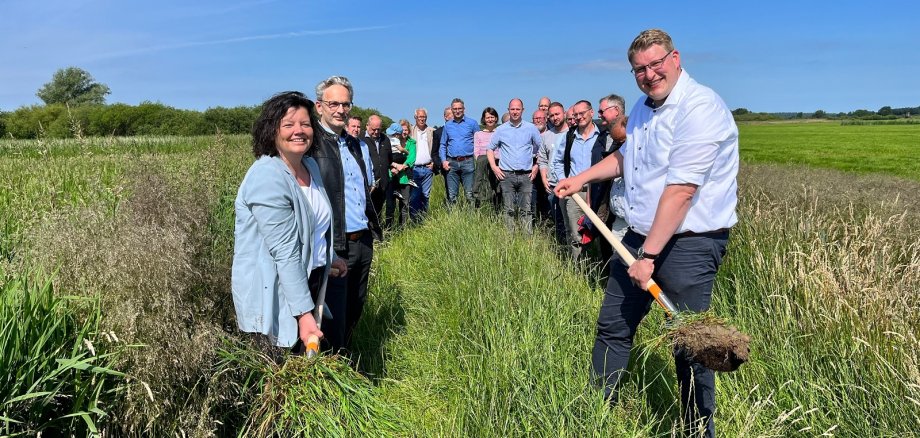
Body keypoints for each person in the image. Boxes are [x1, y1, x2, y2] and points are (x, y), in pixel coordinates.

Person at [555, 29, 739, 438]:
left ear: (675, 58)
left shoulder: (700, 107)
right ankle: (595, 414)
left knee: (692, 346)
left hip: (689, 244)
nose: (649, 74)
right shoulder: (640, 107)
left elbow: (682, 191)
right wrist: (580, 178)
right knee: (613, 326)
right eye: (640, 69)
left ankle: (697, 431)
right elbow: (625, 157)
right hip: (637, 239)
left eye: (656, 64)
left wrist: (649, 258)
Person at [232, 91, 348, 355]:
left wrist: (328, 258)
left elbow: (315, 227)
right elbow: (285, 252)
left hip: (310, 281)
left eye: (305, 124)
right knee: (281, 375)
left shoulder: (309, 167)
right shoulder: (267, 177)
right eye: (288, 124)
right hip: (275, 291)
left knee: (310, 367)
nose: (299, 131)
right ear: (271, 131)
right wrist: (304, 315)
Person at [309, 75, 381, 350]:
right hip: (334, 245)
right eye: (334, 103)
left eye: (346, 104)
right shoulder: (313, 144)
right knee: (331, 318)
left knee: (355, 309)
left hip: (362, 240)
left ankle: (348, 362)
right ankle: (331, 374)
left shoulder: (354, 144)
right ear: (319, 106)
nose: (341, 110)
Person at [552, 100, 599, 259]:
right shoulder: (569, 136)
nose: (579, 117)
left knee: (597, 233)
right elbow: (557, 162)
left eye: (582, 113)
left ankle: (596, 264)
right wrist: (564, 181)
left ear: (591, 112)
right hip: (575, 193)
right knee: (575, 233)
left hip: (597, 192)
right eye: (575, 115)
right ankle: (578, 269)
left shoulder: (602, 136)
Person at [487, 98, 542, 234]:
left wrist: (536, 167)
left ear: (522, 110)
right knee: (508, 209)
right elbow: (489, 149)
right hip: (507, 175)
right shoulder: (501, 130)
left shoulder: (531, 128)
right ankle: (509, 238)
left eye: (518, 109)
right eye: (512, 109)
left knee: (526, 209)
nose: (515, 112)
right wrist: (494, 167)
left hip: (526, 175)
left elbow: (543, 149)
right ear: (508, 110)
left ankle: (527, 239)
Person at [588, 94, 628, 268]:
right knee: (609, 248)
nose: (599, 115)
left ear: (616, 110)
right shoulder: (602, 136)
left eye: (602, 111)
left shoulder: (634, 138)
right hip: (607, 202)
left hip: (630, 213)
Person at [538, 101, 569, 244]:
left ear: (564, 114)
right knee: (558, 220)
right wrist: (544, 177)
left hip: (569, 185)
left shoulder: (572, 133)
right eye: (552, 115)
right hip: (552, 185)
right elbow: (543, 159)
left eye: (557, 114)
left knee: (572, 221)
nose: (555, 118)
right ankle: (562, 247)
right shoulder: (546, 136)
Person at [439, 98, 479, 206]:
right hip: (451, 163)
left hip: (468, 162)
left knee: (469, 194)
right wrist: (443, 161)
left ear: (464, 109)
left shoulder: (472, 123)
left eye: (459, 108)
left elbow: (479, 142)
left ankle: (472, 219)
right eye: (455, 109)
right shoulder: (447, 126)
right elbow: (443, 144)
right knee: (452, 196)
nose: (457, 111)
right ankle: (454, 219)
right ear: (451, 110)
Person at [385, 120, 416, 227]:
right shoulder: (389, 141)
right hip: (391, 176)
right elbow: (386, 157)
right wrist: (393, 167)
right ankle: (389, 228)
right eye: (402, 130)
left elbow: (411, 159)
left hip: (404, 178)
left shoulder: (411, 143)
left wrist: (398, 168)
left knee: (404, 204)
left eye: (406, 130)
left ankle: (403, 228)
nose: (404, 132)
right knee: (390, 205)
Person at [409, 108, 436, 221]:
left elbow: (437, 149)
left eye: (424, 117)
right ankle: (414, 220)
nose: (422, 119)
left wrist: (434, 162)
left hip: (427, 169)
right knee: (414, 196)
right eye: (420, 117)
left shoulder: (432, 131)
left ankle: (423, 220)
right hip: (414, 169)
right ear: (415, 118)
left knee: (425, 196)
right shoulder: (410, 131)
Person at [364, 114, 391, 220]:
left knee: (378, 212)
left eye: (378, 130)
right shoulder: (361, 139)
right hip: (368, 185)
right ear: (367, 126)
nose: (376, 132)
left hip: (382, 183)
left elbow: (389, 158)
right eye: (373, 129)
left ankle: (378, 234)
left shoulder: (385, 139)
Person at [472, 107, 500, 208]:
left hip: (497, 165)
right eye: (487, 117)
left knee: (497, 190)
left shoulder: (500, 133)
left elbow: (501, 151)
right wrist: (486, 159)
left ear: (496, 118)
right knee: (483, 189)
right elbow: (476, 152)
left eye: (492, 117)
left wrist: (493, 159)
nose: (490, 119)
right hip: (483, 168)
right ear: (484, 119)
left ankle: (496, 210)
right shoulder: (478, 134)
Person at [347, 115, 375, 191]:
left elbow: (369, 165)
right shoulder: (343, 145)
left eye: (358, 127)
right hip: (352, 189)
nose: (356, 129)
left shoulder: (364, 145)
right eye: (353, 126)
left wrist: (372, 183)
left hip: (367, 187)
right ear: (347, 127)